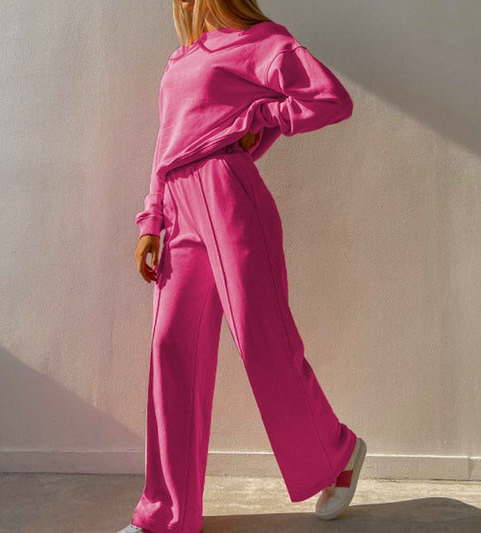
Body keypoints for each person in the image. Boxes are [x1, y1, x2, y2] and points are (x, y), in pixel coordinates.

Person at [119, 1, 367, 532]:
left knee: (261, 338)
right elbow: (165, 145)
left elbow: (330, 99)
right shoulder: (179, 61)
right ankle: (167, 515)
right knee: (170, 346)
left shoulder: (263, 41)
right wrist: (150, 221)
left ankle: (337, 453)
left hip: (229, 193)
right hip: (179, 206)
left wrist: (261, 115)